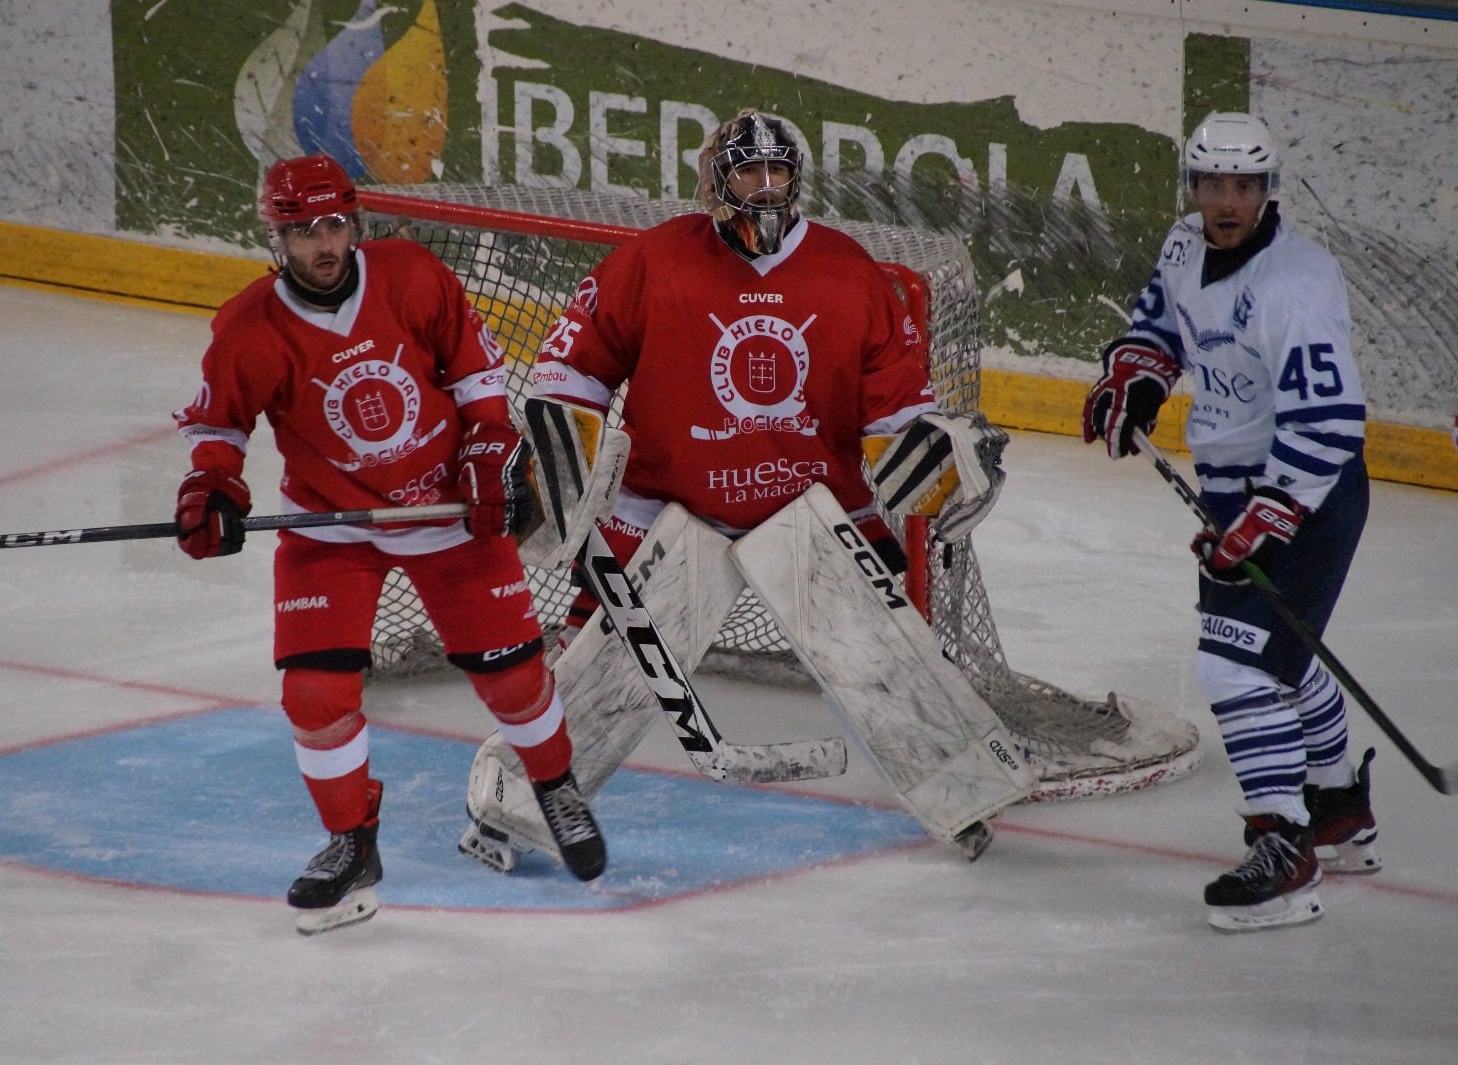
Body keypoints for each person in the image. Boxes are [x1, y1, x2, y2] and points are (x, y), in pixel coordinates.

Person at [458, 108, 1017, 873]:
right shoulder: (652, 261)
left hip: (811, 504)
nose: (763, 187)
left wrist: (940, 464)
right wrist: (559, 455)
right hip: (666, 503)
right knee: (605, 666)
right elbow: (572, 367)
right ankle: (512, 800)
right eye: (747, 172)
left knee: (885, 649)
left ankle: (966, 792)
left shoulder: (849, 271)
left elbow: (897, 406)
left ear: (796, 179)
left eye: (776, 172)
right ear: (714, 182)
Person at [172, 153, 605, 935]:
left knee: (512, 677)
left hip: (446, 510)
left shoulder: (409, 276)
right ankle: (351, 843)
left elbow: (477, 377)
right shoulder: (247, 328)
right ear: (275, 236)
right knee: (313, 692)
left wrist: (486, 447)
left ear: (355, 222)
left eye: (334, 224)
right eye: (303, 231)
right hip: (331, 524)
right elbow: (219, 426)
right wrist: (212, 486)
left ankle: (555, 783)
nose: (323, 243)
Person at [1082, 111, 1379, 932]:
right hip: (1231, 491)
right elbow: (1159, 326)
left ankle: (1285, 848)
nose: (1226, 200)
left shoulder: (1297, 283)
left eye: (1243, 185)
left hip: (1307, 496)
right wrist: (1135, 382)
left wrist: (1266, 518)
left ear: (1267, 190)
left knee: (1233, 668)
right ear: (1195, 187)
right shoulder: (1185, 247)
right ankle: (1337, 808)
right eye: (1212, 183)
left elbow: (1327, 425)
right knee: (1276, 654)